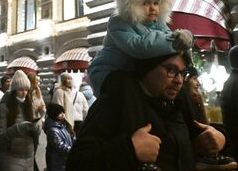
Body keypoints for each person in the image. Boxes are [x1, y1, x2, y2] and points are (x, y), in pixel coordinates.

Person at [66, 50, 226, 171]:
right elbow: (76, 162)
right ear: (147, 69)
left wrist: (219, 139)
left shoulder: (180, 103)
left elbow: (198, 143)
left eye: (182, 74)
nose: (178, 80)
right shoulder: (116, 102)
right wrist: (129, 150)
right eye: (171, 70)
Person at [88, 0, 193, 96]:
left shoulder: (158, 24)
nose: (152, 8)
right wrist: (175, 42)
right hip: (108, 72)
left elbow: (169, 41)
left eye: (156, 3)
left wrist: (184, 39)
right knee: (129, 92)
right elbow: (138, 46)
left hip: (134, 72)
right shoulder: (119, 21)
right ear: (132, 3)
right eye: (145, 3)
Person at [0, 70, 40, 171]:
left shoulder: (29, 105)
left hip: (29, 157)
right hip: (10, 157)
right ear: (14, 90)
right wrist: (18, 129)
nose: (24, 93)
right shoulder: (4, 107)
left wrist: (36, 129)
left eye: (26, 90)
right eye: (21, 90)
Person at [44, 103, 74, 171]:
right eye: (60, 113)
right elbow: (60, 145)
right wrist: (73, 151)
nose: (63, 114)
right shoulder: (52, 130)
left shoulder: (63, 125)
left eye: (63, 112)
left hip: (64, 159)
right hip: (57, 161)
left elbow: (71, 137)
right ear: (54, 115)